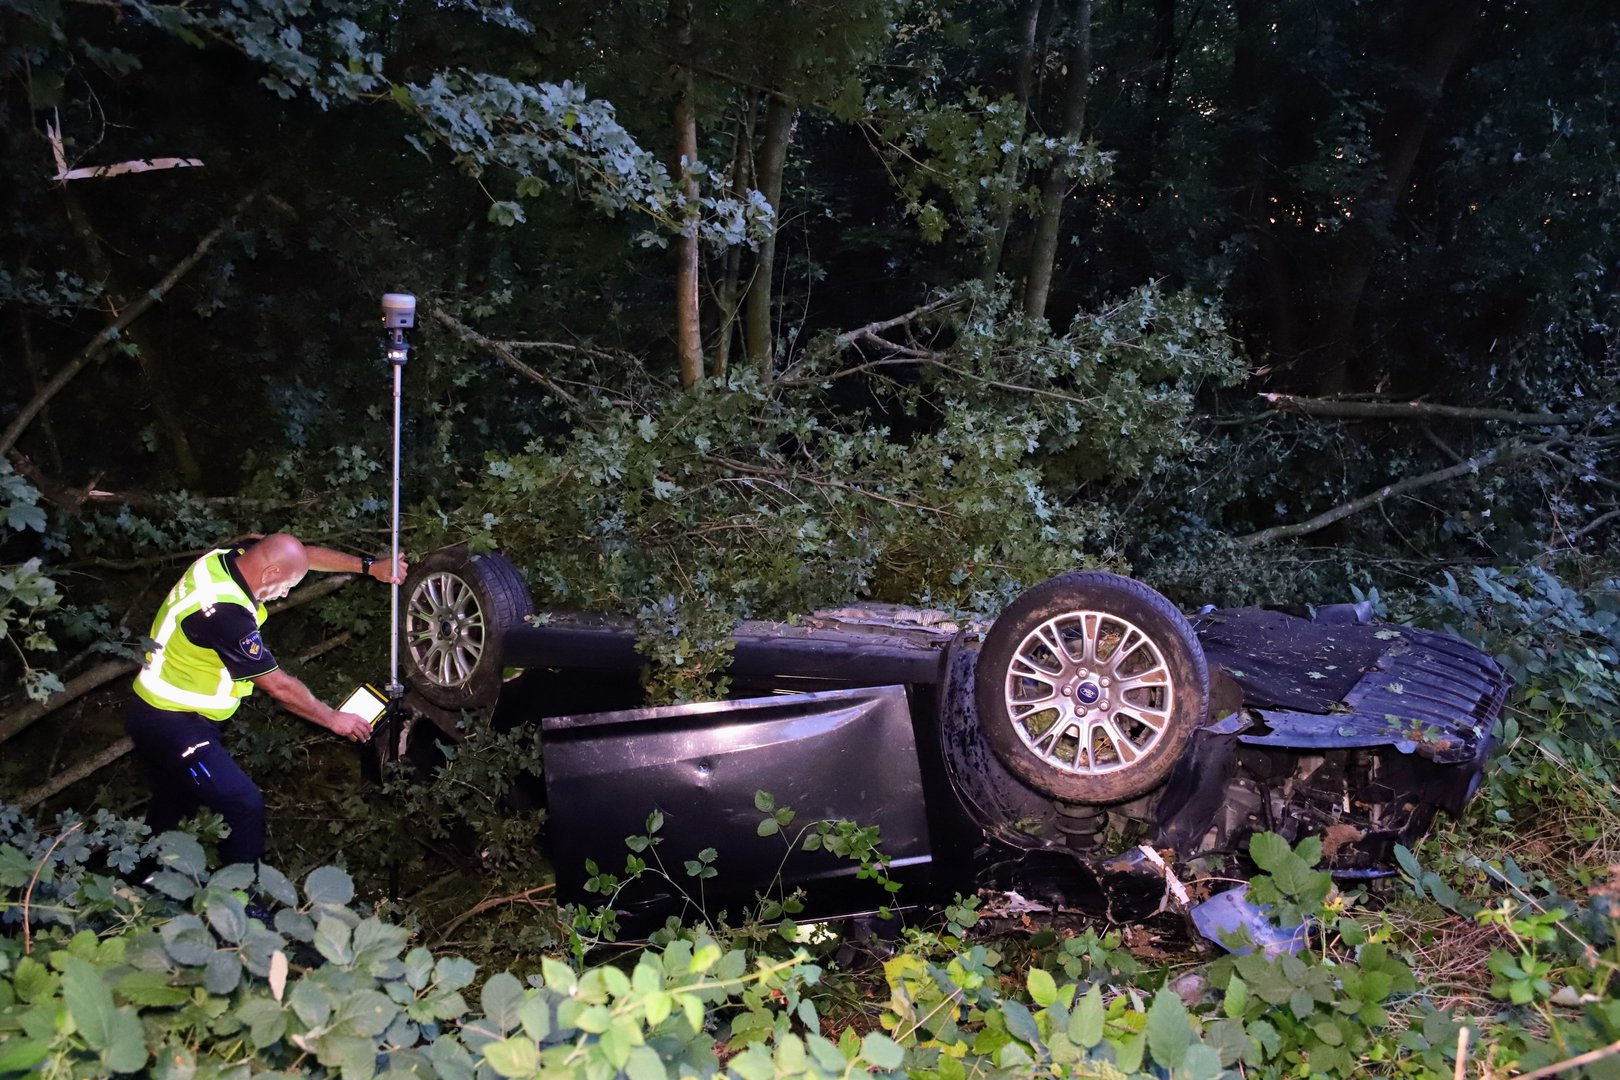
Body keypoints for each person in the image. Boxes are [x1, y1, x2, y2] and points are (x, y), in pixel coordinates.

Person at [125, 533, 407, 866]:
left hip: (159, 712)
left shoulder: (233, 557)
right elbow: (278, 687)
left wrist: (370, 567)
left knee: (175, 800)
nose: (285, 593)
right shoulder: (223, 613)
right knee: (242, 803)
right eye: (287, 585)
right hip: (171, 724)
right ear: (270, 573)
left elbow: (302, 555)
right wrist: (332, 717)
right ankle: (245, 902)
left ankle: (143, 876)